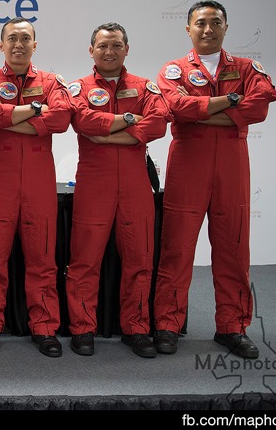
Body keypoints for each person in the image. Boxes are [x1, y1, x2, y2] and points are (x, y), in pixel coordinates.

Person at [152, 0, 276, 359]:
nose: (208, 29)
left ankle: (232, 327)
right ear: (188, 29)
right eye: (200, 23)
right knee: (176, 250)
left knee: (234, 250)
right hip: (188, 164)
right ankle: (167, 325)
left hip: (232, 169)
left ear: (226, 27)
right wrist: (231, 107)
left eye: (215, 23)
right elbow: (176, 108)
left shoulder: (247, 67)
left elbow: (260, 107)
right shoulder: (173, 70)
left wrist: (203, 112)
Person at [64, 22, 169, 358]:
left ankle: (137, 329)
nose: (109, 52)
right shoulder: (78, 87)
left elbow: (159, 123)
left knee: (140, 260)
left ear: (127, 49)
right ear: (91, 50)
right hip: (95, 182)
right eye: (103, 46)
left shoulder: (145, 86)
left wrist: (110, 132)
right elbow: (84, 122)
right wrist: (132, 122)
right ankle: (82, 329)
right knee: (85, 260)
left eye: (116, 45)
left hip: (136, 182)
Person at [0, 17, 72, 358]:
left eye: (25, 39)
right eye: (11, 39)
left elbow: (60, 119)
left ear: (35, 45)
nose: (18, 45)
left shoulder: (51, 81)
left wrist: (10, 117)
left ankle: (45, 327)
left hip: (38, 180)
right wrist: (33, 113)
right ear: (1, 45)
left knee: (43, 258)